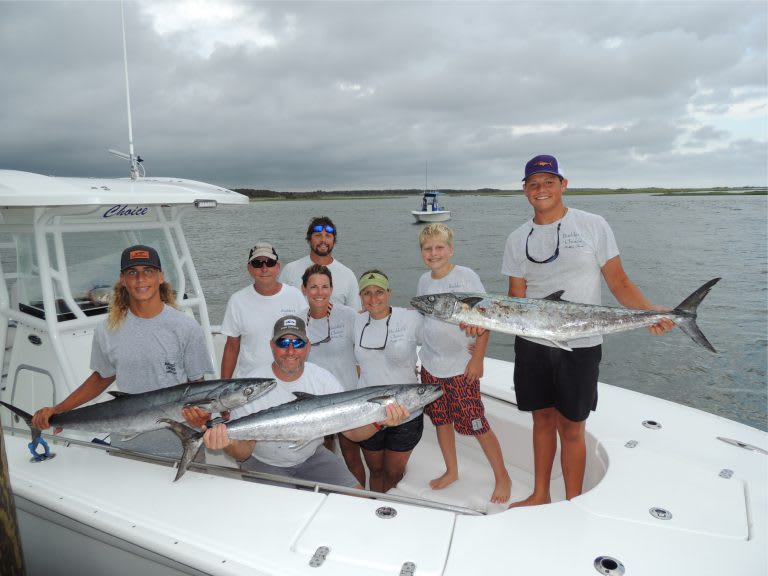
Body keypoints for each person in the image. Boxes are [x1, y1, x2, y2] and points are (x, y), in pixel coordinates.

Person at [500, 154, 673, 506]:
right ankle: (541, 494)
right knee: (542, 420)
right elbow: (515, 299)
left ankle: (573, 502)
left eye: (549, 182)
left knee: (572, 426)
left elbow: (619, 281)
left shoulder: (593, 225)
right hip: (532, 344)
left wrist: (649, 312)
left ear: (563, 185)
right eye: (533, 183)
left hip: (581, 344)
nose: (541, 189)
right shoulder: (517, 239)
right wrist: (480, 324)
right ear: (524, 191)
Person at [31, 244, 214, 457]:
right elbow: (101, 377)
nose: (140, 279)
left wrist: (202, 418)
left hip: (179, 446)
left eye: (148, 271)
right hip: (125, 446)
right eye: (132, 272)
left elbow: (197, 388)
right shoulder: (107, 329)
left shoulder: (186, 327)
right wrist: (58, 410)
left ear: (161, 277)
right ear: (123, 279)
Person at [203, 315, 408, 489]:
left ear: (307, 346)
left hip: (312, 457)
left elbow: (352, 433)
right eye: (283, 343)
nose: (291, 350)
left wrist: (379, 421)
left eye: (298, 343)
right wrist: (228, 443)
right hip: (264, 461)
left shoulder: (322, 379)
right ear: (272, 346)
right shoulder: (251, 386)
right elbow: (243, 451)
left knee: (358, 498)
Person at [417, 223, 512, 504]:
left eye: (439, 247)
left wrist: (478, 357)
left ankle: (502, 475)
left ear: (451, 249)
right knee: (441, 420)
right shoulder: (424, 281)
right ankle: (452, 470)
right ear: (422, 252)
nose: (434, 253)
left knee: (477, 422)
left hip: (461, 367)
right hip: (432, 365)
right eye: (427, 248)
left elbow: (486, 315)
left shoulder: (466, 276)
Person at [354, 270, 424, 493]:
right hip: (368, 412)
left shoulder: (411, 318)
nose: (373, 298)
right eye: (367, 293)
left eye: (379, 292)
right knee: (375, 470)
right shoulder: (354, 321)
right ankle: (374, 507)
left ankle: (390, 511)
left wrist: (475, 346)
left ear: (389, 293)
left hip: (407, 412)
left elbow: (440, 336)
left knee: (393, 473)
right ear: (360, 296)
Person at [220, 241, 305, 379]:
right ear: (249, 268)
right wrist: (223, 385)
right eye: (258, 264)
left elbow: (306, 340)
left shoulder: (295, 296)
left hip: (289, 379)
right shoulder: (237, 301)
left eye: (269, 263)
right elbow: (231, 347)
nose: (264, 268)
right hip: (250, 384)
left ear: (278, 267)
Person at [280, 216, 361, 310]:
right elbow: (279, 306)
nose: (323, 240)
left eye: (328, 236)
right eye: (318, 235)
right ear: (309, 240)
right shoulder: (289, 270)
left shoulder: (348, 275)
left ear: (334, 241)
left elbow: (355, 315)